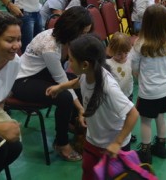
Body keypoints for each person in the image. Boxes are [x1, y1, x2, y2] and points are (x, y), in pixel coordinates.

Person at [46, 33, 139, 180]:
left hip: (113, 147)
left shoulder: (108, 87)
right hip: (93, 141)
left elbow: (133, 114)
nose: (68, 63)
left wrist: (117, 143)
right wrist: (61, 87)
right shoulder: (88, 73)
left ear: (84, 64)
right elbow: (78, 81)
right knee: (89, 173)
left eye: (71, 60)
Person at [12, 7, 93, 162]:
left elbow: (69, 76)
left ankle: (73, 123)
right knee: (64, 97)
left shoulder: (66, 40)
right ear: (72, 30)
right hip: (23, 81)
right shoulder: (50, 46)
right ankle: (61, 143)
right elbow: (61, 80)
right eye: (83, 33)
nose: (85, 37)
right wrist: (81, 108)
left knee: (80, 83)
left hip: (42, 75)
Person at [131, 4, 166, 164]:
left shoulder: (140, 44)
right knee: (161, 117)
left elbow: (134, 66)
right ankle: (161, 147)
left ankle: (145, 151)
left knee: (146, 120)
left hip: (148, 91)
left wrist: (137, 75)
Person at [0, 12, 22, 180]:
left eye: (18, 39)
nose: (16, 46)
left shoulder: (15, 62)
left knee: (14, 146)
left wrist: (2, 120)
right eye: (10, 40)